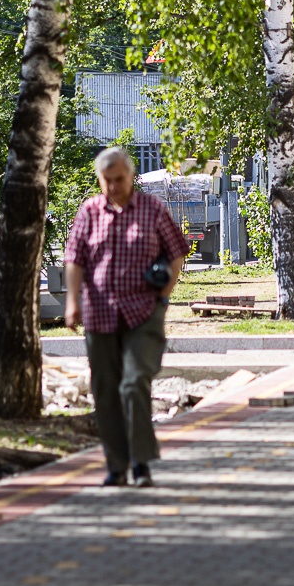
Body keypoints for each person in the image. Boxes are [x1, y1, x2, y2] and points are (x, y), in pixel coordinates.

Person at [64, 146, 190, 487]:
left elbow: (177, 252)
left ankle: (141, 464)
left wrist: (164, 297)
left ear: (131, 176)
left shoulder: (152, 209)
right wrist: (71, 302)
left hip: (143, 312)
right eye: (107, 181)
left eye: (119, 179)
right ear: (100, 180)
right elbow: (74, 258)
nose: (114, 187)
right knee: (105, 391)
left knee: (134, 384)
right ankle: (116, 466)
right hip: (99, 313)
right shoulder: (90, 211)